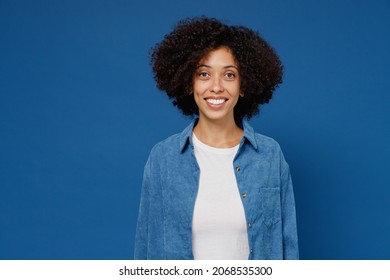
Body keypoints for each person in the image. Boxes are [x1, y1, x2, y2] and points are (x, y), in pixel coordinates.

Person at [134, 17, 298, 260]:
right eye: (203, 74)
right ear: (189, 84)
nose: (216, 86)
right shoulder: (162, 159)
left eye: (229, 75)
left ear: (244, 85)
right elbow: (146, 248)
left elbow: (287, 247)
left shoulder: (270, 156)